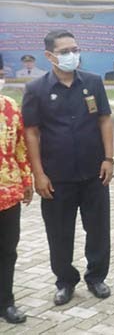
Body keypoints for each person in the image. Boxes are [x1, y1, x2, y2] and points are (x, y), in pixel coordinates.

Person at [22, 29, 114, 306]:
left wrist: (109, 159)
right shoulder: (36, 89)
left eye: (75, 49)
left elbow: (105, 121)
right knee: (59, 233)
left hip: (94, 173)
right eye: (65, 52)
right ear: (49, 56)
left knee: (98, 230)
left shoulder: (94, 82)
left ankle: (96, 277)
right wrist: (38, 173)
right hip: (56, 177)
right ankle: (65, 281)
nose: (72, 55)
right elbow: (32, 133)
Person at [0, 54, 33, 325]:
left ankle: (6, 302)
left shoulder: (10, 107)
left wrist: (26, 181)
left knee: (8, 250)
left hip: (7, 194)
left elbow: (21, 147)